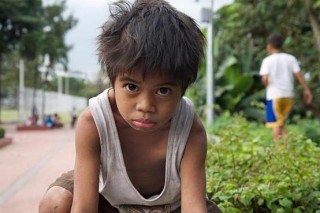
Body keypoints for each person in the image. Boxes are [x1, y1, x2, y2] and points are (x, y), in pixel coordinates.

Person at [39, 0, 220, 212]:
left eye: (163, 90)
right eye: (132, 87)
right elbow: (84, 207)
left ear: (182, 89)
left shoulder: (190, 129)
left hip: (171, 205)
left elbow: (193, 208)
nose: (146, 106)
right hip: (107, 198)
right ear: (113, 81)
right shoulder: (94, 122)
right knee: (57, 201)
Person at [259, 33, 313, 140]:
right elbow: (299, 75)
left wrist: (265, 81)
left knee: (275, 124)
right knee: (281, 124)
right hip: (288, 96)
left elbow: (265, 80)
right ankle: (286, 150)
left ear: (269, 46)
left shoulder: (267, 61)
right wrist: (307, 90)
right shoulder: (290, 58)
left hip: (274, 96)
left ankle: (278, 151)